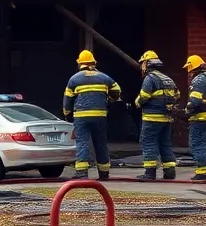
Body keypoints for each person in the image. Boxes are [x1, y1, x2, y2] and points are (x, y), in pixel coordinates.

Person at [62, 50, 121, 180]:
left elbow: (67, 100)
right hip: (100, 116)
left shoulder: (74, 79)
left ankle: (82, 173)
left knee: (82, 143)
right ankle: (104, 173)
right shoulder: (104, 77)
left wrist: (67, 114)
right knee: (101, 143)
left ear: (80, 64)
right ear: (93, 63)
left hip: (81, 117)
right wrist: (111, 98)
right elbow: (117, 91)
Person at [134, 50, 179, 180]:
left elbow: (144, 96)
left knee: (148, 142)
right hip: (166, 118)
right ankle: (170, 172)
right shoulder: (167, 78)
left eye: (143, 63)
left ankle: (150, 173)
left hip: (152, 118)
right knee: (165, 143)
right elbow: (177, 95)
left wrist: (137, 102)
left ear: (147, 64)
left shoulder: (150, 78)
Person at [183, 56, 206, 183]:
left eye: (189, 68)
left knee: (198, 144)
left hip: (199, 118)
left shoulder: (198, 80)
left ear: (193, 66)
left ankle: (202, 172)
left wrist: (187, 109)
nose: (189, 72)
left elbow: (195, 101)